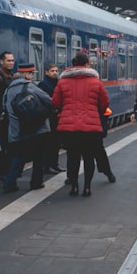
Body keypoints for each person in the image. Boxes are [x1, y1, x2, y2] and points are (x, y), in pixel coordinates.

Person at [52, 52, 109, 197]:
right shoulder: (96, 82)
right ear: (86, 64)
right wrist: (96, 112)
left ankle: (74, 187)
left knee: (73, 157)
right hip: (90, 127)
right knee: (89, 157)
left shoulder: (62, 82)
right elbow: (104, 103)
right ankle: (87, 188)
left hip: (69, 128)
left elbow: (55, 103)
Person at [1, 63, 52, 193]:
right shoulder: (30, 86)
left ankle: (9, 183)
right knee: (38, 157)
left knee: (17, 157)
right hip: (36, 129)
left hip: (16, 130)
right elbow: (48, 100)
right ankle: (36, 182)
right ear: (27, 74)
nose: (32, 76)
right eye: (31, 73)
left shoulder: (8, 90)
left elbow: (5, 109)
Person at [37, 64, 64, 175]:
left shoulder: (59, 84)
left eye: (56, 70)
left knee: (56, 143)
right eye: (52, 71)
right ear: (47, 72)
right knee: (49, 143)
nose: (55, 72)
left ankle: (55, 165)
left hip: (57, 117)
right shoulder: (43, 85)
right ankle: (47, 166)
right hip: (48, 117)